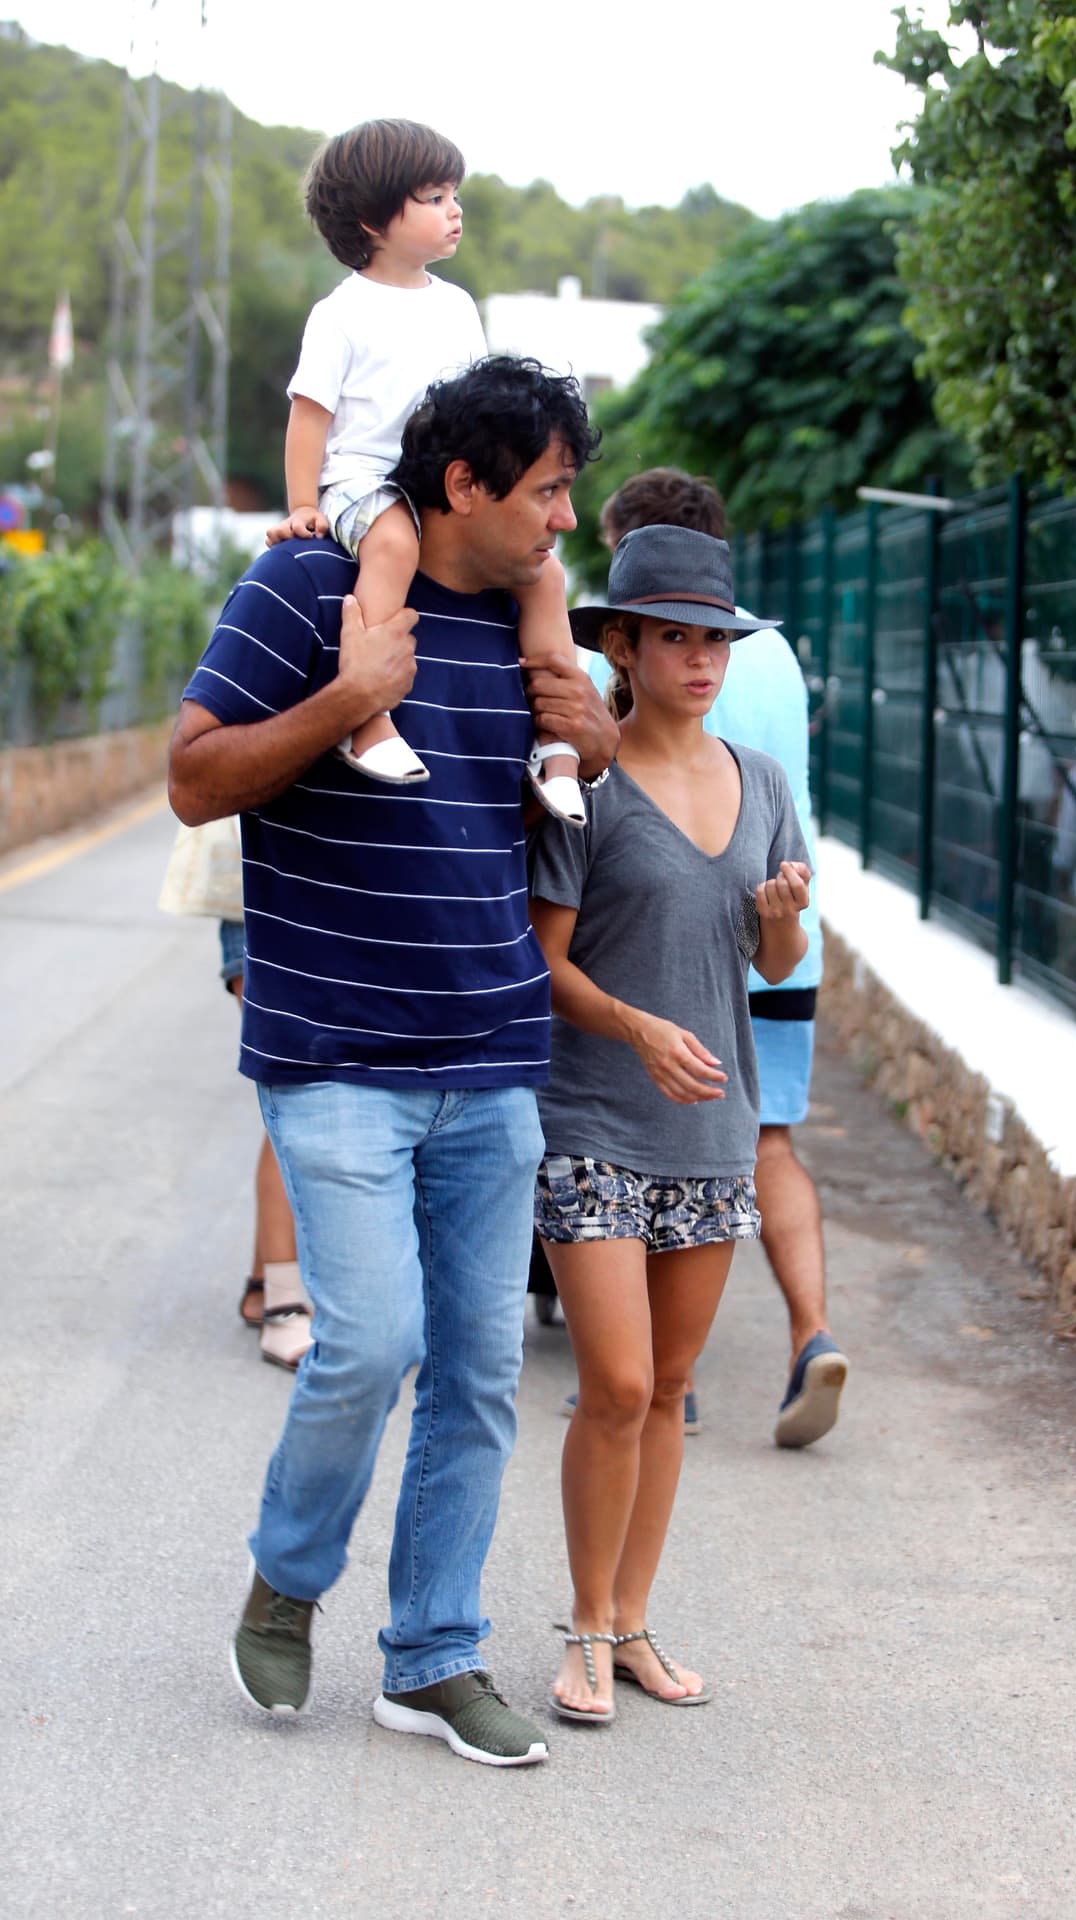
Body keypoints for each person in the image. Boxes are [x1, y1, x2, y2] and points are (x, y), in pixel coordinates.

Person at [168, 355, 616, 1768]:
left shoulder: (529, 632)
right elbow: (192, 776)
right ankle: (290, 1580)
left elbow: (561, 799)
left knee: (483, 1370)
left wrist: (589, 737)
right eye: (545, 491)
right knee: (369, 1343)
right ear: (466, 482)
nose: (561, 521)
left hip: (493, 1057)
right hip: (336, 1051)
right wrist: (341, 697)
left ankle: (431, 1654)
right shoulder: (307, 593)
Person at [530, 524, 811, 1723]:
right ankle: (582, 1628)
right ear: (624, 650)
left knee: (668, 1386)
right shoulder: (580, 785)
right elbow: (543, 967)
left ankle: (633, 1623)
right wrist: (636, 1029)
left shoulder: (762, 783)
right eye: (674, 639)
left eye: (714, 640)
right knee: (616, 1380)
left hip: (711, 1129)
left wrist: (781, 912)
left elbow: (774, 959)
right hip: (589, 1115)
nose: (699, 660)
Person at [589, 469, 849, 1449]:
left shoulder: (657, 661)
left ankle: (665, 1376)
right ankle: (808, 1329)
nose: (700, 658)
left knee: (640, 1146)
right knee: (768, 1140)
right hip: (789, 924)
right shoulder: (773, 651)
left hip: (676, 941)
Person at [265, 118, 584, 824]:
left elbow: (474, 408)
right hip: (363, 480)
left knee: (547, 574)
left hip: (437, 477)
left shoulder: (457, 306)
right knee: (394, 543)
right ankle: (368, 715)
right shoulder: (339, 315)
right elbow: (310, 418)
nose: (454, 210)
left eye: (454, 194)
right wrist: (299, 502)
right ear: (373, 219)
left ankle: (557, 745)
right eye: (434, 196)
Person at [219, 917, 312, 1370]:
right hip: (264, 903)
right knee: (298, 1088)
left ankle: (265, 1285)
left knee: (300, 1089)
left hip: (322, 906)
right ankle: (283, 1302)